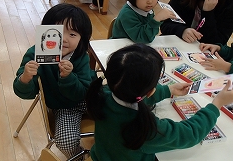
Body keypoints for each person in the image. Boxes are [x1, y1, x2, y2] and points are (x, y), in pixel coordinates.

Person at [86, 43, 233, 161]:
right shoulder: (145, 129)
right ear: (150, 91)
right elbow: (190, 134)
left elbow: (131, 95)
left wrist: (168, 90)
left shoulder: (102, 93)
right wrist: (216, 104)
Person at [13, 3, 96, 159]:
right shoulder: (35, 54)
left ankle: (111, 144)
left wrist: (69, 77)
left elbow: (84, 91)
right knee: (65, 141)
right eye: (58, 32)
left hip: (86, 97)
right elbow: (26, 93)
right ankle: (78, 156)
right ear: (45, 31)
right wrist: (25, 78)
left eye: (72, 35)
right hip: (63, 106)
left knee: (117, 110)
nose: (64, 39)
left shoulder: (81, 55)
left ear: (81, 39)